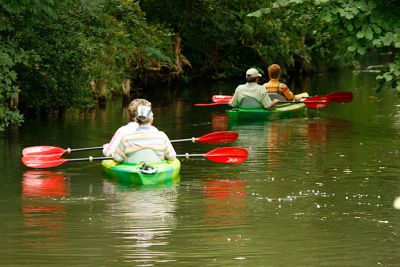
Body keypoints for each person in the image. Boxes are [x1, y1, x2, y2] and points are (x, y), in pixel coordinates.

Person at [112, 103, 176, 163]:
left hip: (133, 169)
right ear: (151, 119)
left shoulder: (125, 138)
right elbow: (172, 157)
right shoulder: (162, 136)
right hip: (157, 167)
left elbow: (117, 158)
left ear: (136, 120)